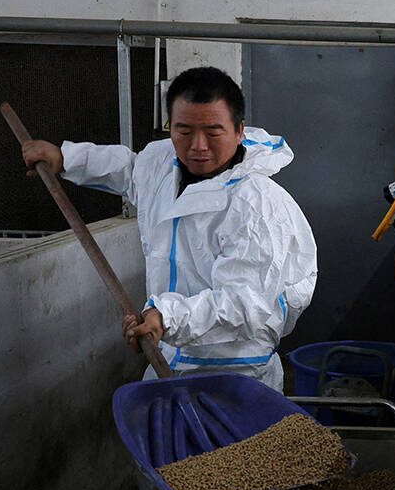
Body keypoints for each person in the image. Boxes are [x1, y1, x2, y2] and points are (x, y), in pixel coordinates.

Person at [21, 66, 317, 393]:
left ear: (239, 130)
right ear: (170, 128)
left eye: (213, 131)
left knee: (234, 445)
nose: (198, 146)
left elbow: (244, 303)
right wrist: (66, 158)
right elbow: (130, 170)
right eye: (184, 130)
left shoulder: (257, 206)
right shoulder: (163, 164)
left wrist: (166, 317)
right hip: (167, 358)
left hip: (236, 374)